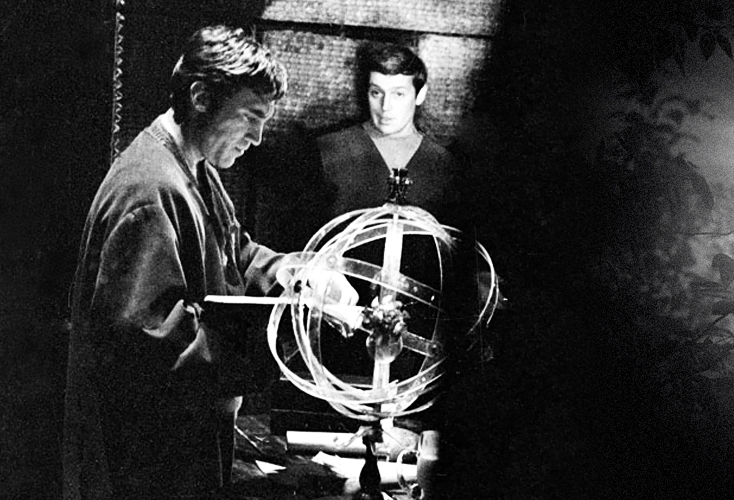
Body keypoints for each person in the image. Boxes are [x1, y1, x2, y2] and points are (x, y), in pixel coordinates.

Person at [62, 25, 352, 500]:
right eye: (250, 118)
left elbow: (236, 252)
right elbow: (156, 354)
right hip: (147, 468)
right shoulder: (150, 190)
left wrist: (301, 276)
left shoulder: (194, 168)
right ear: (200, 97)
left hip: (183, 449)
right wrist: (282, 333)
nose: (257, 137)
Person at [316, 43, 460, 218]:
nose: (385, 106)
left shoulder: (443, 163)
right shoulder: (329, 149)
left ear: (420, 95)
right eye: (376, 93)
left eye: (398, 94)